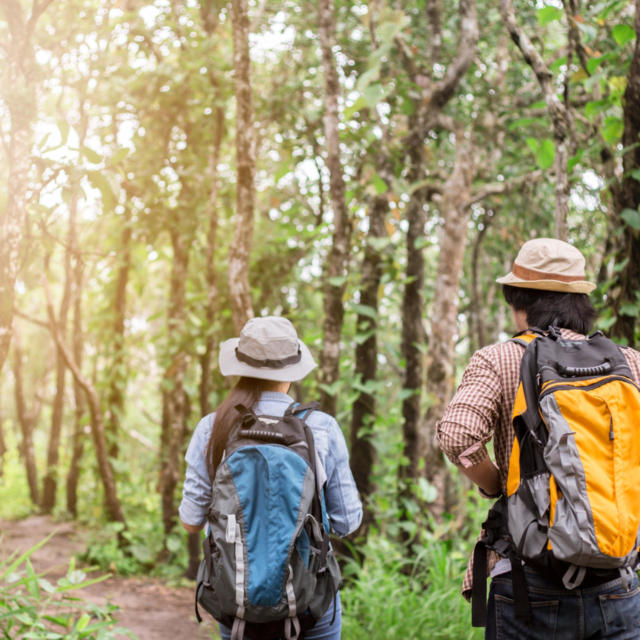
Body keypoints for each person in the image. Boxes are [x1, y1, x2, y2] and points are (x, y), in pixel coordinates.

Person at [436, 237, 640, 639]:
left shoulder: (499, 358)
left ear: (517, 299)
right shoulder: (628, 362)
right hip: (618, 580)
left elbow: (457, 435)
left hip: (530, 580)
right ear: (581, 301)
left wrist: (497, 483)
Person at [179, 315, 362, 640]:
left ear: (240, 367)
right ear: (291, 371)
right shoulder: (321, 428)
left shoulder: (213, 428)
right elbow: (347, 522)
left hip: (236, 599)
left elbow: (192, 521)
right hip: (310, 599)